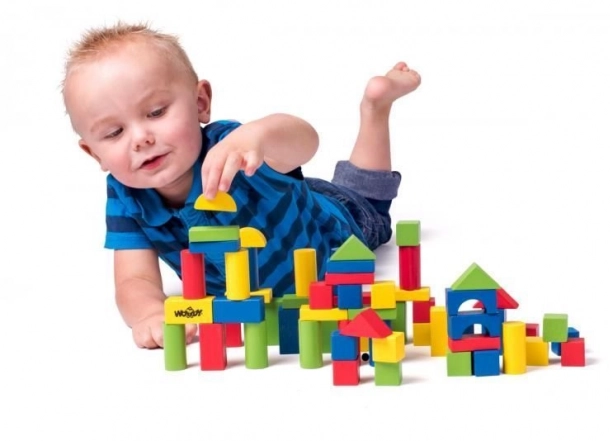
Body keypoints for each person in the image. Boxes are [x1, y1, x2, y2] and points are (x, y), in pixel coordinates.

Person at [61, 21, 421, 349]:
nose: (141, 138)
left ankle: (376, 108)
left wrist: (259, 135)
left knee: (368, 206)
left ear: (200, 103)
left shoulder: (234, 147)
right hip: (257, 289)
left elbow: (305, 142)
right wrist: (149, 314)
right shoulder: (126, 198)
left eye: (156, 113)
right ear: (95, 155)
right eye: (114, 132)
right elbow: (133, 280)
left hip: (330, 229)